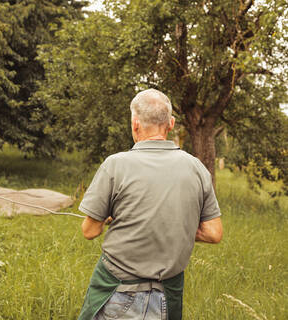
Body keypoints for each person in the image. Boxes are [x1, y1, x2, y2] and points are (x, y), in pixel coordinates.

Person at [77, 89, 223, 320]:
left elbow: (89, 230)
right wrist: (171, 225)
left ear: (135, 124)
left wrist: (122, 221)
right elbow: (214, 233)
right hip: (168, 295)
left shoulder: (115, 165)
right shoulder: (197, 168)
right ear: (171, 124)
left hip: (117, 291)